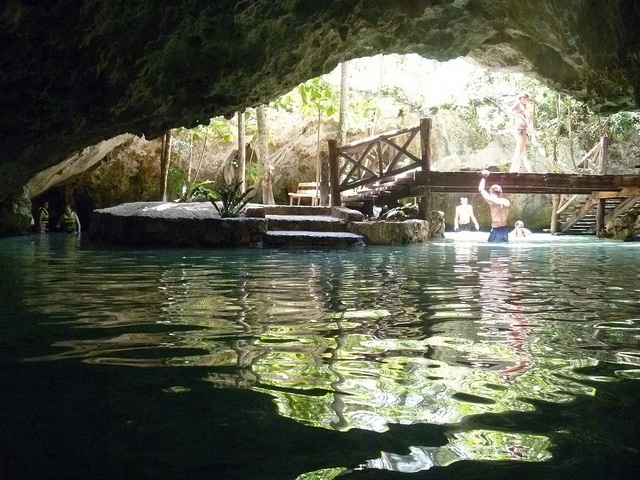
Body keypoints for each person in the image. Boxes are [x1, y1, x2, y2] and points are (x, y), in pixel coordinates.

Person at [479, 170, 510, 242]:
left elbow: (481, 190)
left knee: (495, 251)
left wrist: (484, 177)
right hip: (505, 229)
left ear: (491, 192)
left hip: (496, 229)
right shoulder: (506, 201)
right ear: (501, 192)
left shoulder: (492, 201)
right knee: (503, 251)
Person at [509, 92, 534, 173]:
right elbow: (510, 111)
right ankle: (513, 170)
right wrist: (520, 117)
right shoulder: (518, 103)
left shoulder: (524, 106)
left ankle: (530, 170)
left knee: (522, 151)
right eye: (526, 98)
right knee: (519, 150)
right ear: (522, 97)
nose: (527, 99)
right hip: (520, 129)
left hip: (524, 129)